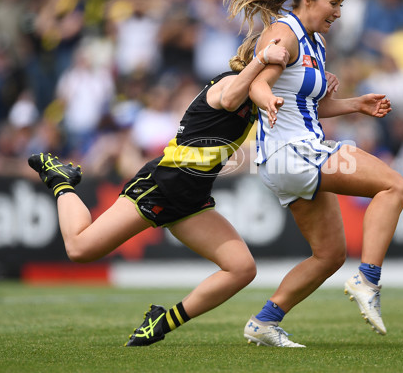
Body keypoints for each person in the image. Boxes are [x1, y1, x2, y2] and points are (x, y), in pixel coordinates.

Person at [27, 34, 290, 346]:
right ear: (259, 60)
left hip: (192, 200)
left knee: (242, 269)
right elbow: (232, 100)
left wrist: (347, 103)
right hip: (159, 187)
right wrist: (264, 58)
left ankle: (161, 323)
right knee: (80, 249)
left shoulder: (255, 98)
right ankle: (60, 180)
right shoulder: (229, 84)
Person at [224, 0, 403, 347]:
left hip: (291, 155)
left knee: (328, 255)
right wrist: (267, 99)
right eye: (334, 3)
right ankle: (368, 278)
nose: (339, 13)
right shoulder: (284, 34)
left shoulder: (315, 42)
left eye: (342, 5)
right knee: (394, 186)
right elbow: (256, 84)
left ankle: (264, 322)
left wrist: (355, 104)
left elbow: (305, 105)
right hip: (294, 152)